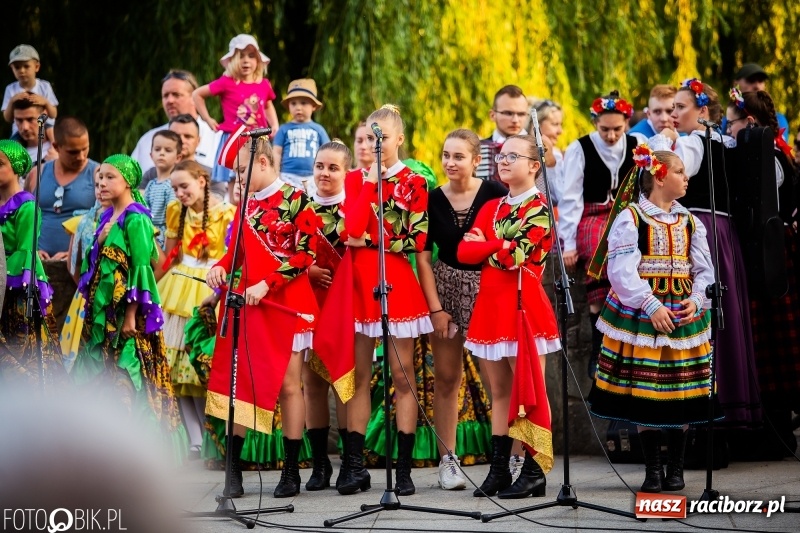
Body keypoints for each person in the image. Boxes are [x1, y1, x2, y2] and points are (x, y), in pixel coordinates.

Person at [314, 104, 432, 497]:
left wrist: (374, 240)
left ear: (399, 139)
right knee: (358, 375)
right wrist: (367, 182)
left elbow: (415, 239)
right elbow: (350, 229)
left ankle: (403, 468)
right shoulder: (355, 180)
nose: (372, 144)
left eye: (380, 137)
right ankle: (353, 464)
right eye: (367, 137)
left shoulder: (414, 181)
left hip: (395, 280)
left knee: (402, 377)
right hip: (357, 284)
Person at [587, 146, 715, 493]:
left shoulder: (690, 221)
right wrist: (649, 304)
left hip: (682, 311)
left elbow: (704, 269)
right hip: (645, 312)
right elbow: (621, 269)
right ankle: (653, 468)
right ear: (660, 176)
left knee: (682, 389)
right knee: (647, 389)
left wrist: (698, 298)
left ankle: (676, 468)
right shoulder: (631, 217)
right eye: (680, 172)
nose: (686, 178)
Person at [206, 135, 318, 498]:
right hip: (250, 303)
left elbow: (305, 255)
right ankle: (233, 471)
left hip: (285, 302)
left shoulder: (296, 198)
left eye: (241, 170)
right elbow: (235, 252)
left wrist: (268, 284)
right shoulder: (246, 205)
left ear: (264, 163)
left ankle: (290, 471)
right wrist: (220, 268)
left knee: (289, 385)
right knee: (241, 384)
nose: (237, 179)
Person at [457, 134, 559, 499]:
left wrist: (491, 246)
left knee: (531, 388)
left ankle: (534, 469)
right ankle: (499, 469)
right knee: (498, 391)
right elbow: (463, 252)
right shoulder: (492, 206)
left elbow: (517, 257)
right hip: (490, 308)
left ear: (534, 165)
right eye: (501, 155)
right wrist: (497, 245)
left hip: (524, 307)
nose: (502, 161)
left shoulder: (542, 207)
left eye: (512, 156)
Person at [654, 78, 759, 430]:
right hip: (725, 233)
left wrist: (663, 145)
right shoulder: (728, 142)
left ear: (702, 110)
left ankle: (710, 411)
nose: (673, 114)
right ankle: (732, 409)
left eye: (680, 107)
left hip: (700, 229)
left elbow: (668, 175)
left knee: (705, 314)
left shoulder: (693, 143)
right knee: (724, 314)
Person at [72, 154, 187, 460]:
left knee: (128, 376)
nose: (102, 184)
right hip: (103, 313)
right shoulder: (106, 216)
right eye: (99, 179)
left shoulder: (136, 218)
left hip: (127, 316)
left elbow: (142, 270)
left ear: (127, 181)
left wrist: (132, 316)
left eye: (110, 177)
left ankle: (140, 450)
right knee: (101, 374)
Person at [416, 129, 506, 490]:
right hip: (446, 287)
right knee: (447, 377)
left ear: (474, 160)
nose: (450, 163)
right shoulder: (431, 199)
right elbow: (423, 257)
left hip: (488, 288)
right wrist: (435, 309)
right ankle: (447, 460)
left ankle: (512, 459)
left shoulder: (496, 195)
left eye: (458, 156)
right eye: (445, 156)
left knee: (498, 380)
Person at [725, 88, 800, 453]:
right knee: (766, 342)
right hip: (767, 251)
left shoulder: (767, 159)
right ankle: (771, 431)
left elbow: (764, 209)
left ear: (749, 123)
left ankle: (777, 433)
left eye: (731, 122)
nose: (728, 127)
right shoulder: (769, 153)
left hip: (771, 255)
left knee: (773, 342)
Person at [157, 160, 236, 459]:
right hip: (177, 289)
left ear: (202, 181)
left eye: (184, 186)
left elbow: (230, 257)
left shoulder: (228, 214)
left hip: (210, 288)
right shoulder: (175, 212)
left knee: (201, 368)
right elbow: (169, 258)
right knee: (177, 371)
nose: (178, 193)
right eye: (175, 188)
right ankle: (193, 437)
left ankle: (212, 436)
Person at [560, 90, 637, 378]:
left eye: (618, 129)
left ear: (627, 122)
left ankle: (626, 335)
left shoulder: (637, 144)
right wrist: (568, 243)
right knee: (597, 250)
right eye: (605, 129)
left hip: (627, 214)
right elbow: (570, 199)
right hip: (592, 215)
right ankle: (599, 345)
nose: (612, 135)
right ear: (595, 123)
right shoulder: (579, 148)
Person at [304, 140, 351, 490]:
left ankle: (351, 462)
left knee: (345, 384)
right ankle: (320, 465)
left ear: (345, 171)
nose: (325, 172)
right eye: (320, 165)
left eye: (333, 167)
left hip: (346, 306)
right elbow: (284, 250)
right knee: (312, 385)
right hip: (307, 305)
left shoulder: (355, 208)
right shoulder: (299, 207)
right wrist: (307, 273)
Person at [0, 140, 63, 383]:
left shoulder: (26, 206)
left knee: (23, 349)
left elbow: (25, 251)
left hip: (18, 286)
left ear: (16, 168)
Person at [192, 34, 279, 198]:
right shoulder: (226, 82)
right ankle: (234, 218)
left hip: (258, 138)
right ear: (232, 60)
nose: (246, 60)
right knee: (235, 181)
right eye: (241, 56)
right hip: (235, 138)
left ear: (258, 61)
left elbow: (267, 104)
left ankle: (256, 215)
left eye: (251, 56)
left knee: (260, 178)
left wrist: (274, 124)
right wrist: (207, 119)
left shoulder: (263, 84)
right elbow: (197, 94)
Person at [25, 116, 99, 260]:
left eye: (85, 149)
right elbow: (24, 220)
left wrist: (76, 254)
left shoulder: (99, 175)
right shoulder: (37, 174)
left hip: (80, 266)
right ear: (56, 146)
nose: (81, 157)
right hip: (37, 265)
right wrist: (30, 250)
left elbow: (108, 223)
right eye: (73, 152)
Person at [60, 170, 108, 372]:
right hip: (86, 294)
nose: (101, 189)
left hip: (113, 295)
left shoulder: (130, 221)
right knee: (81, 349)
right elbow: (74, 263)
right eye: (97, 185)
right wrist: (86, 284)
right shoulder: (82, 222)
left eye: (106, 183)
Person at [131, 70, 217, 173]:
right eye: (165, 95)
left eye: (176, 95)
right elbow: (130, 182)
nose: (170, 101)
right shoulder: (147, 141)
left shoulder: (216, 138)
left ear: (195, 98)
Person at [273, 79, 330, 196]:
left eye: (303, 103)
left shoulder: (318, 129)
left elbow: (328, 152)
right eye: (293, 103)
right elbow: (276, 153)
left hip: (313, 176)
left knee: (311, 205)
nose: (298, 107)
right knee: (288, 205)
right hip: (287, 176)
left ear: (313, 106)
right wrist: (275, 174)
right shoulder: (284, 129)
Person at [3, 45, 57, 142]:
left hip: (46, 127)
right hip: (19, 131)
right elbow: (7, 119)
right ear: (12, 69)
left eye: (26, 66)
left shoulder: (44, 86)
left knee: (56, 141)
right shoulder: (10, 89)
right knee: (11, 150)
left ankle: (54, 151)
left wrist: (45, 102)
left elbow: (53, 114)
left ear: (36, 67)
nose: (22, 71)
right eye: (17, 67)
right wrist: (12, 101)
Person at [477, 85, 529, 184]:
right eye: (508, 113)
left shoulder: (539, 148)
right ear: (492, 115)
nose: (515, 120)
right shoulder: (478, 149)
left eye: (521, 114)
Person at [731, 63, 789, 142]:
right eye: (751, 80)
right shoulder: (725, 122)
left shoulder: (778, 120)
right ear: (735, 84)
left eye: (761, 80)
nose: (757, 86)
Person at [143, 130, 182, 246]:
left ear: (178, 157)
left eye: (168, 150)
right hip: (149, 230)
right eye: (157, 149)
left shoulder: (173, 185)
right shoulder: (150, 184)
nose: (162, 153)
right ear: (151, 155)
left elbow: (172, 214)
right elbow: (144, 209)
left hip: (165, 235)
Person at [529, 98, 564, 203]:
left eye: (560, 124)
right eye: (554, 124)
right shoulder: (518, 150)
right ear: (536, 124)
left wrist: (551, 165)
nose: (560, 131)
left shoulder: (556, 155)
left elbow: (562, 198)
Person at [10, 97, 57, 167]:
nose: (25, 127)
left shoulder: (66, 148)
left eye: (30, 119)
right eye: (19, 120)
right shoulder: (10, 158)